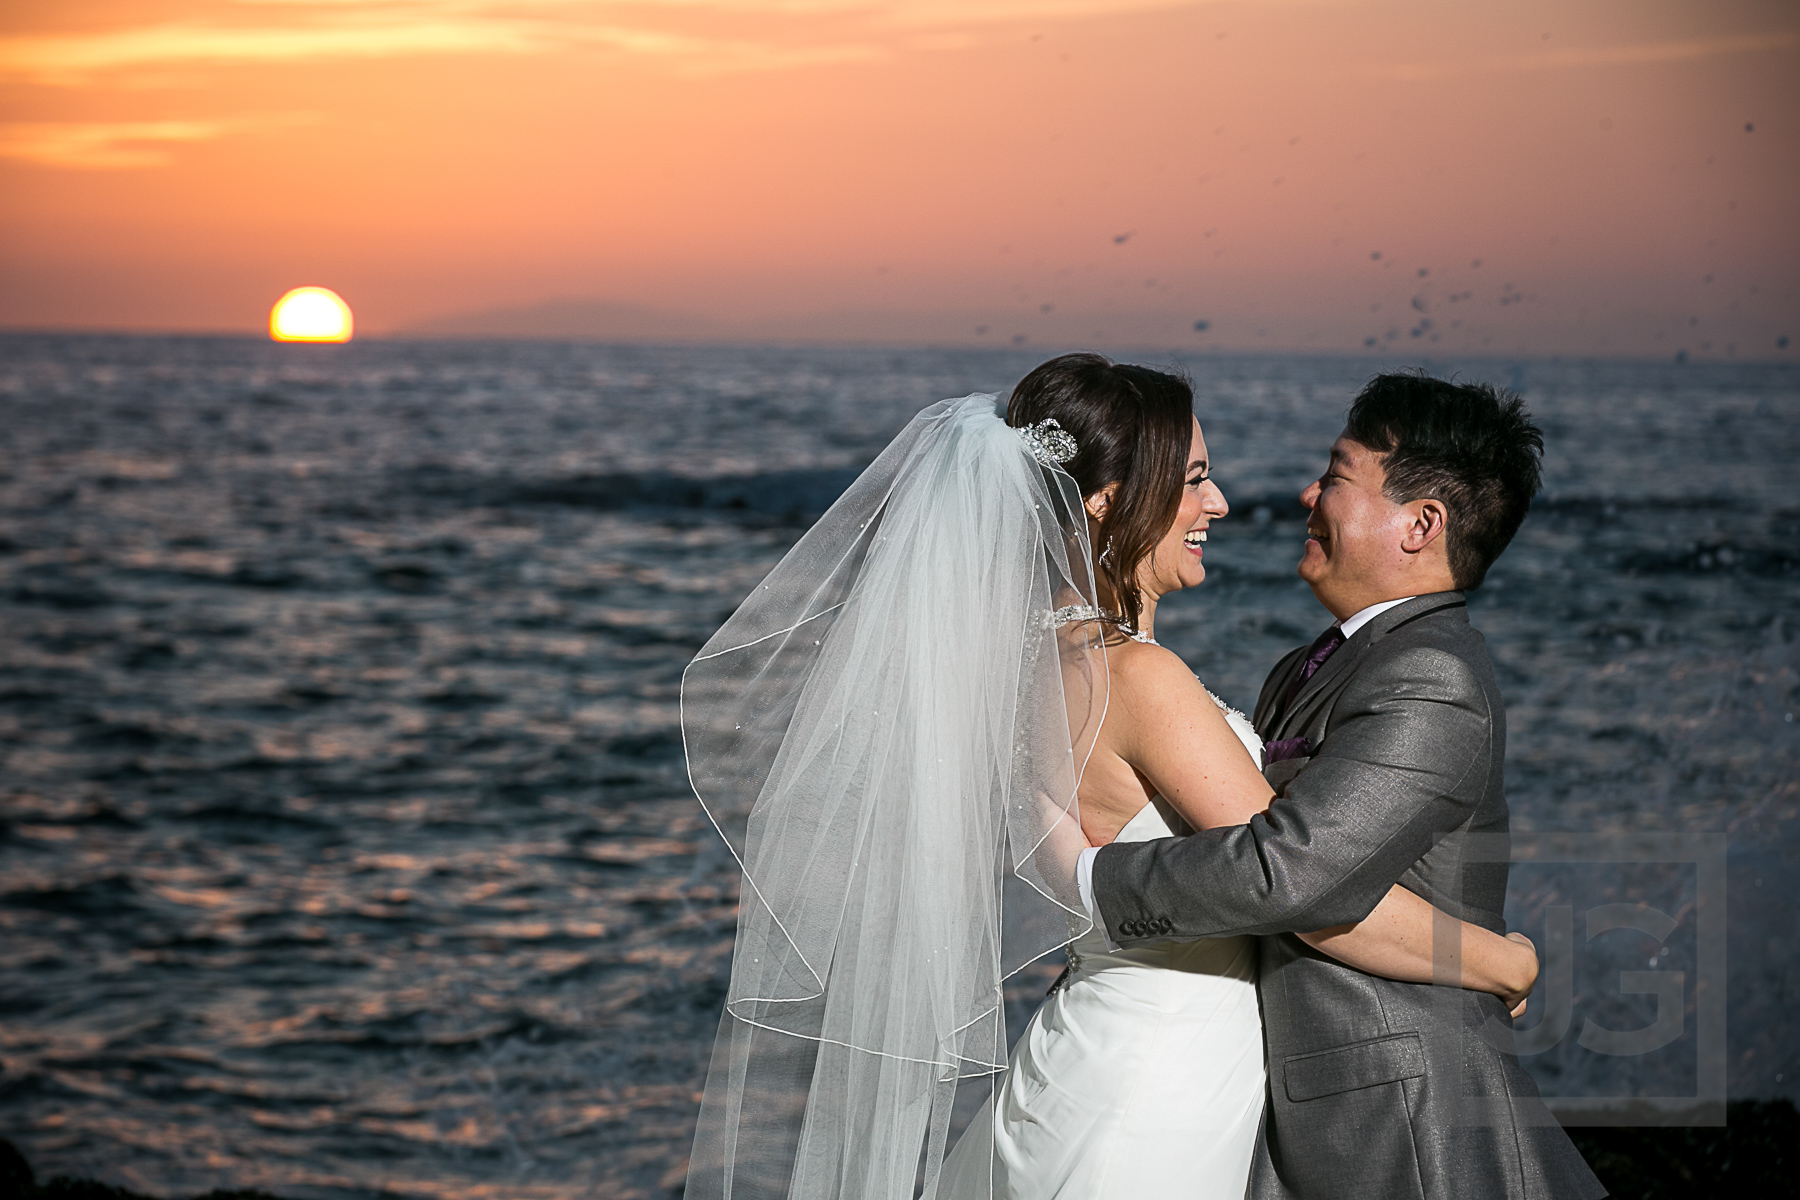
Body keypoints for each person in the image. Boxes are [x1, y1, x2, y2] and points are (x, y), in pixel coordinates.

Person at [681, 353, 1544, 1200]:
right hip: (1157, 1080)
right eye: (1194, 478)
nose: (1221, 502)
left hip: (1089, 1048)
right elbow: (1293, 881)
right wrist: (1500, 962)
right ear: (1109, 503)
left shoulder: (1028, 665)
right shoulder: (1139, 679)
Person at [1081, 370, 1606, 1199]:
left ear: (1421, 523)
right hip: (1299, 1104)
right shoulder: (1312, 666)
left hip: (1401, 1122)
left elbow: (1285, 872)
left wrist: (1085, 883)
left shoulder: (1433, 677)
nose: (1305, 494)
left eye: (1334, 477)